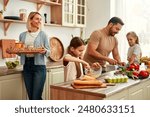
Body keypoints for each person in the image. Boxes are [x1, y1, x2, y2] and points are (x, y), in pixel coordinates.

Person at [19, 12, 50, 100]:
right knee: (31, 97)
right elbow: (21, 51)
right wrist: (16, 50)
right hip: (27, 66)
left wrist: (44, 51)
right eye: (37, 19)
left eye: (40, 19)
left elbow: (49, 52)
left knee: (35, 97)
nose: (39, 21)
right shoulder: (22, 35)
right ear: (30, 20)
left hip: (39, 67)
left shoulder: (43, 34)